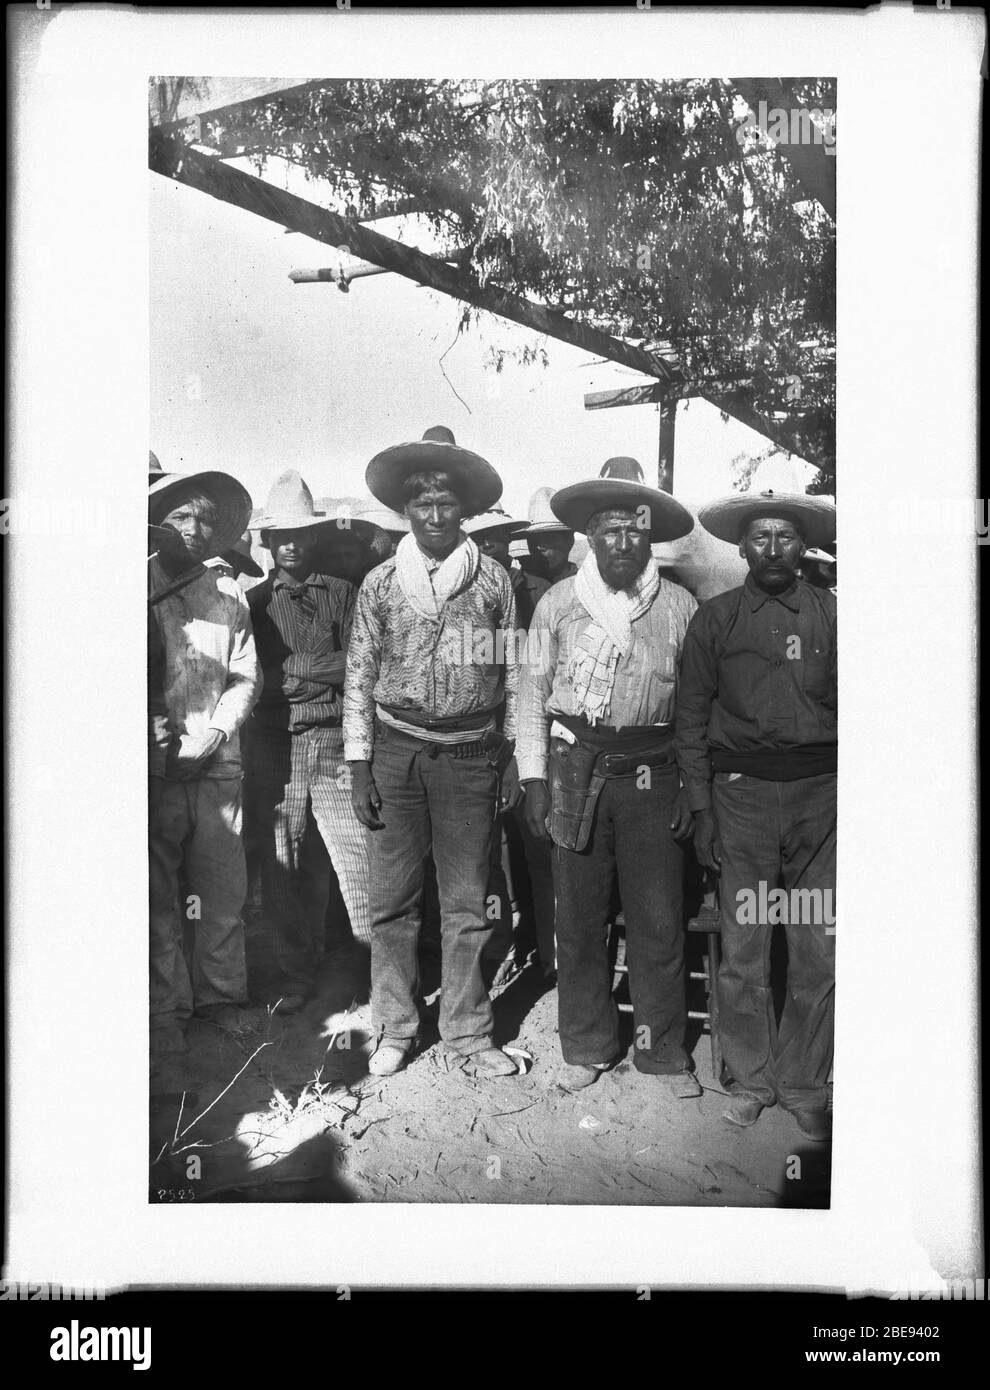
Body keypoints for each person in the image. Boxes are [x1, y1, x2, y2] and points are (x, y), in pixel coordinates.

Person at [517, 457, 701, 1095]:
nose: (623, 543)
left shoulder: (678, 606)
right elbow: (531, 693)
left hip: (655, 773)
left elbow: (697, 707)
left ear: (651, 539)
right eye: (609, 531)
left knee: (657, 917)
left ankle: (660, 1051)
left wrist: (692, 789)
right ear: (588, 537)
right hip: (576, 770)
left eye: (635, 531)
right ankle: (588, 1046)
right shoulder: (558, 605)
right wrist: (534, 781)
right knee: (579, 916)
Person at [344, 426, 522, 1078]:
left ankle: (469, 1034)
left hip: (471, 757)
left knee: (468, 904)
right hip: (397, 754)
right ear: (406, 510)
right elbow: (358, 676)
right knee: (392, 901)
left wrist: (512, 757)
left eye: (447, 502)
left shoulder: (495, 583)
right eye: (423, 502)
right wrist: (360, 764)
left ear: (465, 508)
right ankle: (394, 1027)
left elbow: (518, 677)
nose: (436, 514)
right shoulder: (382, 584)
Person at [675, 489, 837, 1141]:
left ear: (805, 547)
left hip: (820, 802)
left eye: (786, 537)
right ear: (741, 548)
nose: (773, 549)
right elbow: (689, 718)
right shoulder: (715, 622)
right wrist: (700, 807)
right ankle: (749, 1078)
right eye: (761, 538)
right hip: (739, 800)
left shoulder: (834, 616)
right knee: (744, 946)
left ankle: (803, 1079)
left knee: (812, 944)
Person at [245, 471, 373, 1011]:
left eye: (301, 532)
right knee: (283, 862)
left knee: (359, 858)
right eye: (281, 535)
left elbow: (364, 664)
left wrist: (295, 669)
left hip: (336, 741)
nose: (291, 543)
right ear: (267, 543)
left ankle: (375, 974)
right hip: (276, 745)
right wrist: (303, 676)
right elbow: (249, 679)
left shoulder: (346, 594)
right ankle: (296, 975)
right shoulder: (251, 602)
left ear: (314, 537)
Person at [148, 465, 262, 1053]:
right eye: (180, 515)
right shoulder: (135, 590)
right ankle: (168, 1008)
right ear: (155, 521)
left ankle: (220, 1000)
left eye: (205, 519)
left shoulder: (227, 597)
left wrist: (216, 734)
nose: (194, 528)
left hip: (218, 767)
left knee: (220, 894)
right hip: (156, 772)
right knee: (159, 897)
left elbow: (245, 676)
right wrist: (161, 742)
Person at [517, 486, 578, 586]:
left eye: (549, 538)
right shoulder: (518, 586)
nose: (539, 547)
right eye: (533, 539)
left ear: (569, 541)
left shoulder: (585, 586)